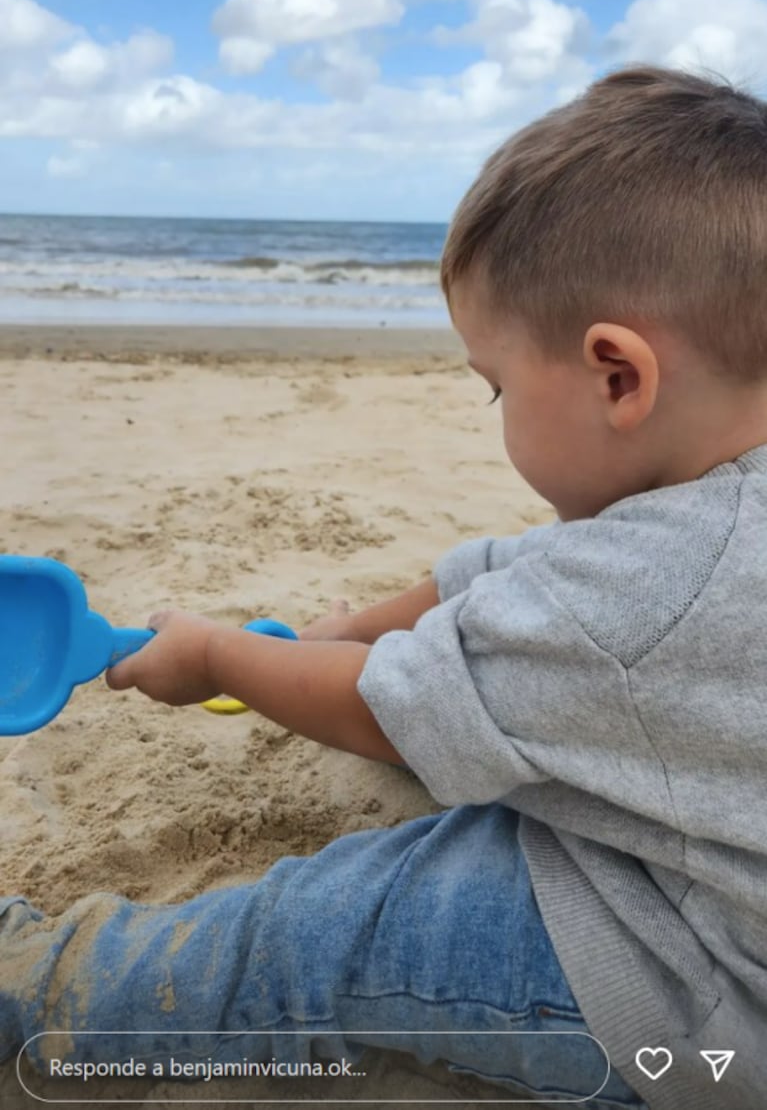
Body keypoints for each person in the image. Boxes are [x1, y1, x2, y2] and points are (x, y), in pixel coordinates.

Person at [2, 64, 765, 1110]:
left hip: (699, 988)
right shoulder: (718, 510)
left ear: (615, 377)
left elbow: (390, 707)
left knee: (331, 925)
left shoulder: (651, 592)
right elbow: (527, 573)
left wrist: (221, 655)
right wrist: (351, 624)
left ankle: (41, 983)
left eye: (494, 384)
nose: (490, 406)